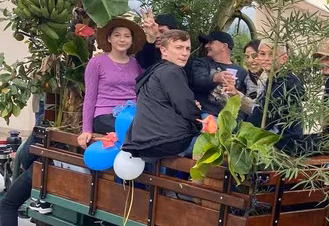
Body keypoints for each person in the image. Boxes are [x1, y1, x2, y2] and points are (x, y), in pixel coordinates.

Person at [123, 30, 202, 160]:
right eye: (178, 48)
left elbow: (165, 105)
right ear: (164, 50)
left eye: (187, 49)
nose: (184, 53)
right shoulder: (172, 71)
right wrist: (200, 124)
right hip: (167, 142)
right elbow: (186, 108)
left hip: (143, 143)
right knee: (212, 143)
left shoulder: (154, 70)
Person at [77, 18, 146, 148]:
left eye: (127, 36)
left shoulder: (137, 64)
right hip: (105, 115)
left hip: (132, 114)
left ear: (132, 41)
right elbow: (90, 97)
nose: (122, 39)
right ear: (109, 38)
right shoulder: (96, 63)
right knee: (133, 130)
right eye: (117, 35)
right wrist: (86, 130)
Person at [231, 41, 305, 151]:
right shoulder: (272, 79)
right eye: (262, 54)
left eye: (272, 54)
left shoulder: (285, 82)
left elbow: (263, 117)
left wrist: (239, 135)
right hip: (275, 140)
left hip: (282, 145)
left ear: (284, 58)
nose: (266, 58)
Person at [187, 31, 249, 117]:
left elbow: (243, 101)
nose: (206, 46)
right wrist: (216, 78)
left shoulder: (242, 72)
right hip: (207, 114)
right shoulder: (200, 63)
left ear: (224, 46)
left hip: (230, 118)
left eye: (211, 42)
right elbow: (198, 82)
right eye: (206, 43)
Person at [0, 135, 38, 226]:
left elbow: (26, 156)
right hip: (78, 174)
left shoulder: (45, 124)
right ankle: (43, 203)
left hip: (46, 170)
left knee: (7, 204)